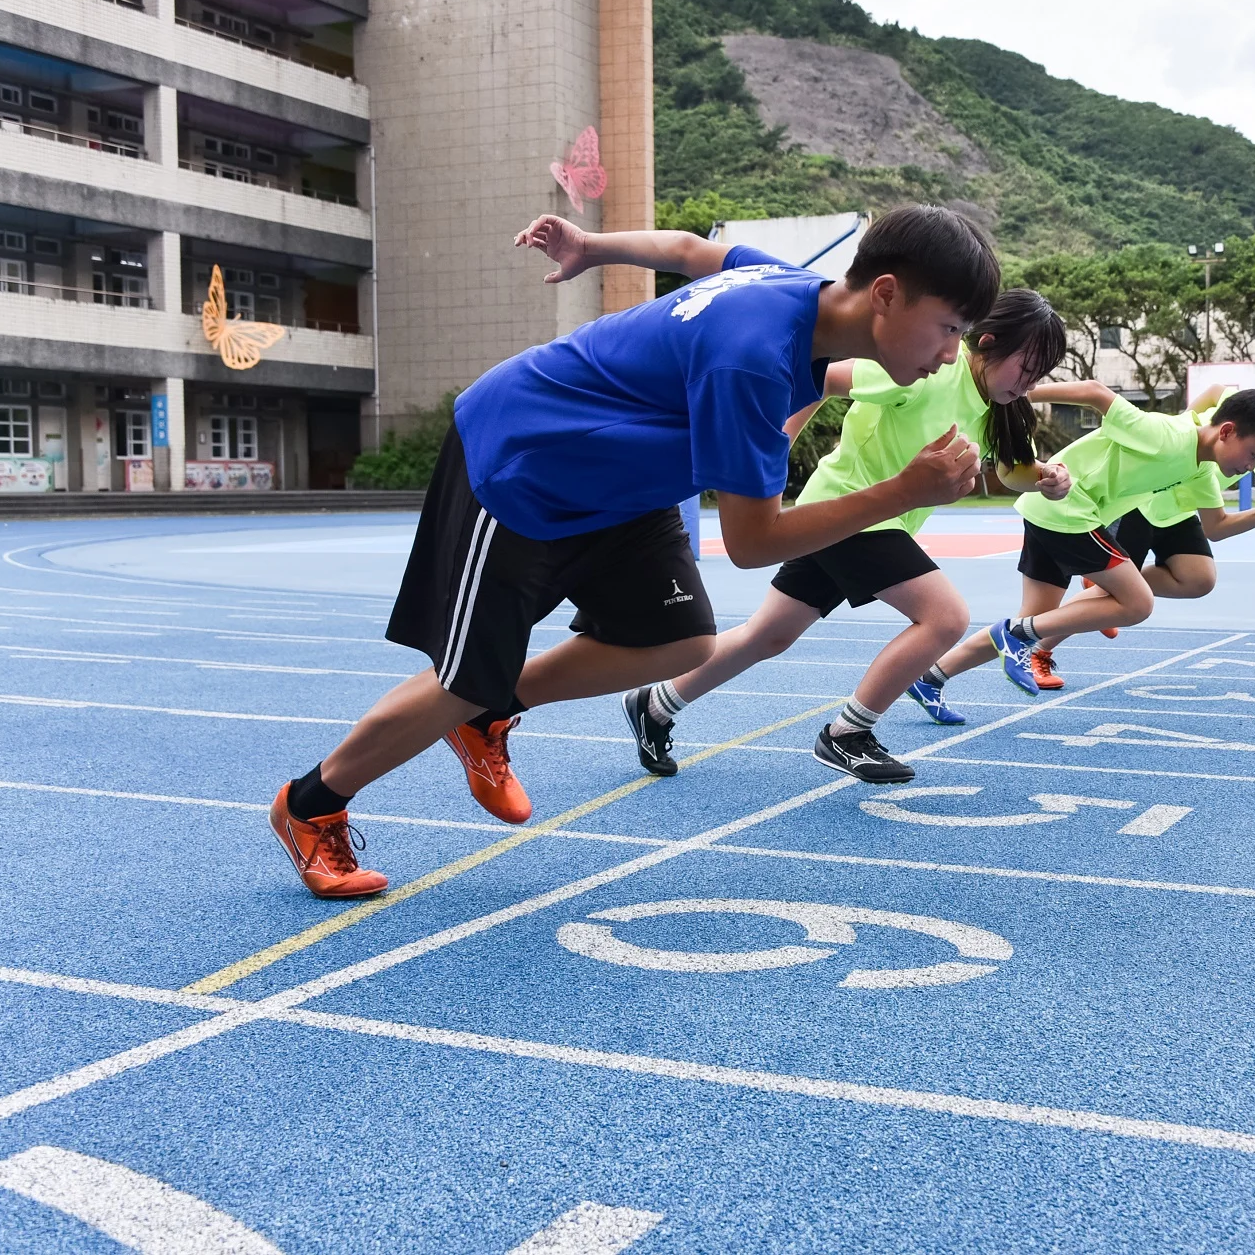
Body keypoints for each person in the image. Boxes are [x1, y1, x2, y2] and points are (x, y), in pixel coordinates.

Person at [267, 205, 1000, 898]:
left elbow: (686, 249)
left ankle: (492, 710)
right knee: (463, 677)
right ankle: (312, 803)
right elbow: (753, 543)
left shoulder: (789, 287)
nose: (950, 353)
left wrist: (592, 246)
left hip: (621, 479)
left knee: (676, 639)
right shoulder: (749, 361)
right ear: (886, 295)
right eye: (947, 327)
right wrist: (902, 492)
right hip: (525, 460)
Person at [619, 290, 1072, 786]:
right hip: (849, 511)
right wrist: (775, 447)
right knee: (945, 618)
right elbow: (820, 378)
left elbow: (1012, 472)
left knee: (768, 634)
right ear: (987, 343)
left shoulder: (998, 405)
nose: (1030, 384)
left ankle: (655, 704)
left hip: (866, 519)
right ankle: (849, 733)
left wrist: (1047, 477)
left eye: (1040, 375)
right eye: (1026, 369)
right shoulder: (930, 369)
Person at [908, 387, 1255, 723]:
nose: (1252, 467)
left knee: (1030, 621)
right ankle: (1015, 637)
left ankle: (932, 676)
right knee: (1136, 602)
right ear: (1227, 431)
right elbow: (1096, 393)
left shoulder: (1198, 468)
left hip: (1046, 513)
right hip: (1068, 507)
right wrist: (1017, 397)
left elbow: (1217, 528)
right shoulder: (1168, 434)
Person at [1019, 362, 1255, 689]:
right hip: (1143, 498)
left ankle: (1107, 593)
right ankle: (1043, 646)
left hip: (1181, 505)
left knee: (1197, 578)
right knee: (1124, 598)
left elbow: (1220, 522)